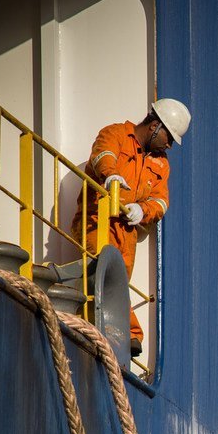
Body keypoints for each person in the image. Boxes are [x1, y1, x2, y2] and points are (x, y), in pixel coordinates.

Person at [72, 98, 190, 357]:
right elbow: (103, 154)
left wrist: (143, 210)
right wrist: (110, 175)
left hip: (126, 231)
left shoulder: (161, 164)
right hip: (97, 219)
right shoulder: (115, 134)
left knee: (117, 280)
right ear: (155, 126)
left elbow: (161, 201)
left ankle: (120, 334)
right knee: (105, 272)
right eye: (169, 137)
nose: (169, 145)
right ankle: (129, 335)